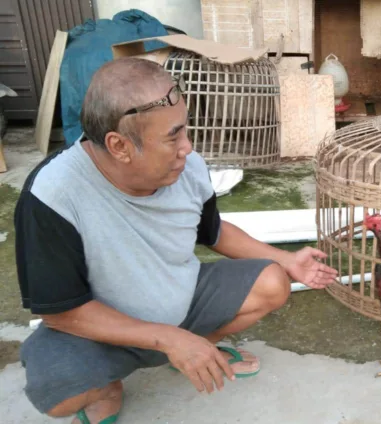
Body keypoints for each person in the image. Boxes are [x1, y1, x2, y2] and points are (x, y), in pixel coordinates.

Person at [14, 57, 338, 423]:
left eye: (185, 130)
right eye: (174, 136)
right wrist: (168, 338)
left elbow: (213, 231)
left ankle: (195, 348)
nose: (188, 146)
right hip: (106, 330)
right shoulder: (53, 194)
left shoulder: (189, 168)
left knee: (273, 283)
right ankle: (112, 385)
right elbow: (60, 312)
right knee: (56, 389)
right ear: (119, 146)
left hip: (183, 301)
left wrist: (286, 259)